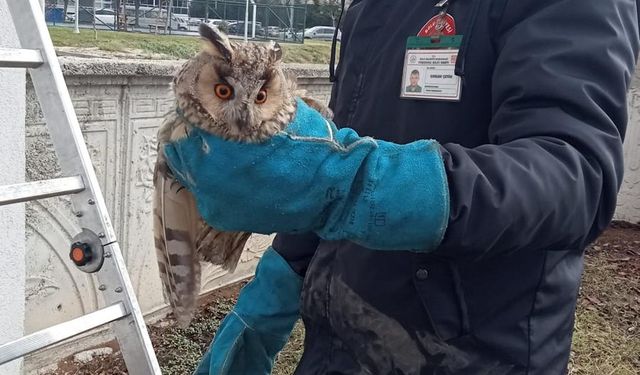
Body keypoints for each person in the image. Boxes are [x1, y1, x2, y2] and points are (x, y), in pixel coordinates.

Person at [164, 0, 640, 374]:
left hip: (469, 352)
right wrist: (280, 280)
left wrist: (360, 186)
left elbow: (574, 177)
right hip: (340, 340)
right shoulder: (374, 9)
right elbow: (334, 158)